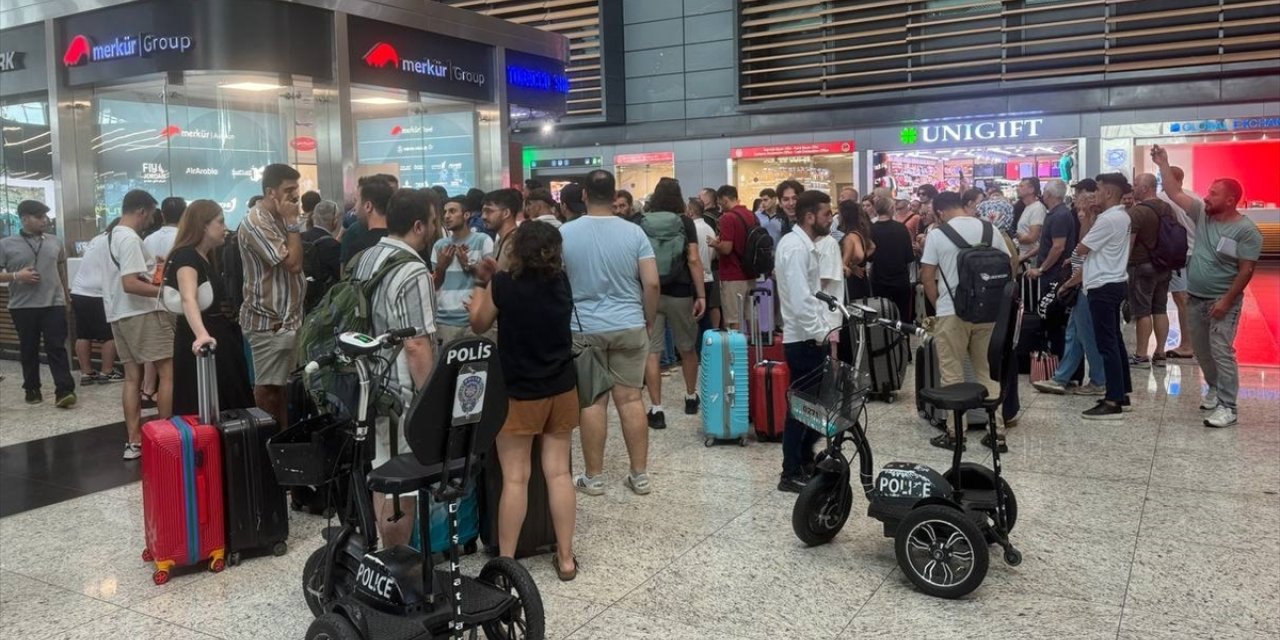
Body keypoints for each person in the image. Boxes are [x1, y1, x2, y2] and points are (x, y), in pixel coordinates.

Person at [468, 220, 579, 580]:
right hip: (561, 388)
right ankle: (565, 558)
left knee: (516, 478)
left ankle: (508, 563)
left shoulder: (503, 285)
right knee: (559, 472)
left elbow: (479, 324)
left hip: (518, 392)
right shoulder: (560, 282)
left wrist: (480, 289)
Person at [349, 188, 440, 546]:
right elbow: (416, 344)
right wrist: (431, 401)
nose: (435, 229)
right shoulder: (413, 269)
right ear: (419, 225)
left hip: (369, 382)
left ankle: (385, 555)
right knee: (404, 482)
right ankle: (398, 563)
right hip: (400, 390)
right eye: (433, 222)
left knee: (382, 472)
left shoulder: (367, 257)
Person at [561, 169, 659, 497]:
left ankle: (594, 478)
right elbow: (652, 283)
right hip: (629, 323)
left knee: (593, 402)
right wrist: (646, 319)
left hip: (584, 328)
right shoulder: (634, 233)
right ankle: (640, 476)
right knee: (631, 398)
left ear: (585, 195)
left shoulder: (566, 233)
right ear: (614, 194)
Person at [1152, 146, 1260, 428]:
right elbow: (1175, 193)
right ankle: (1213, 387)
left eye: (1214, 193)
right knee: (1201, 351)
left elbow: (1246, 270)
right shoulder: (1202, 214)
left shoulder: (1246, 231)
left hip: (1222, 300)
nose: (1207, 196)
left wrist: (1226, 300)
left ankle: (1228, 405)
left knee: (1221, 350)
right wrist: (1163, 163)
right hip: (1196, 298)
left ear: (1230, 200)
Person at [919, 191, 1014, 451]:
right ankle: (996, 434)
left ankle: (955, 435)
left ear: (939, 212)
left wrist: (940, 303)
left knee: (952, 375)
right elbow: (1010, 265)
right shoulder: (989, 229)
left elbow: (927, 276)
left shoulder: (938, 235)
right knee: (987, 372)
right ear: (961, 206)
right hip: (989, 312)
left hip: (952, 313)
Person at [163, 200, 254, 416]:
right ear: (203, 225)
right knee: (208, 403)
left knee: (226, 400)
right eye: (220, 222)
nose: (225, 227)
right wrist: (202, 334)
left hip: (220, 338)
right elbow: (188, 297)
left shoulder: (205, 257)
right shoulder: (186, 256)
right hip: (206, 341)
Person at [103, 190, 175, 459]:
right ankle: (166, 436)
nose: (152, 220)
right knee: (167, 372)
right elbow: (130, 283)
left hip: (119, 315)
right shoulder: (131, 239)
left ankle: (134, 442)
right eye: (152, 214)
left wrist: (154, 269)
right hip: (142, 314)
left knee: (132, 379)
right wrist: (164, 293)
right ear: (142, 211)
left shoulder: (109, 236)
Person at [775, 191, 835, 492]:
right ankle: (791, 471)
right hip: (803, 340)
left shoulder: (801, 245)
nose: (831, 219)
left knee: (810, 406)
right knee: (801, 408)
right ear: (810, 217)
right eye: (826, 214)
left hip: (807, 336)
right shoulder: (796, 249)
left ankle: (803, 458)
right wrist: (820, 334)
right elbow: (801, 300)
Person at [239, 163, 306, 434]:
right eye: (288, 191)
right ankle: (266, 448)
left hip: (288, 320)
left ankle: (283, 443)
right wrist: (293, 225)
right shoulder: (257, 222)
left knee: (284, 389)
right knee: (268, 390)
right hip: (268, 323)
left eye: (296, 191)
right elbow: (293, 264)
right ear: (271, 192)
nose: (294, 198)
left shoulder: (279, 218)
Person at [640, 178, 706, 429]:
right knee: (687, 348)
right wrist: (700, 295)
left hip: (651, 292)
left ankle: (656, 409)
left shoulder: (642, 222)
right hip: (680, 292)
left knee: (653, 352)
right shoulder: (685, 222)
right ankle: (690, 397)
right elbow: (693, 259)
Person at [1033, 179, 1106, 397]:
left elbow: (1085, 250)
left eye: (1081, 204)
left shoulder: (1100, 223)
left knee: (1086, 335)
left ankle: (1098, 379)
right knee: (1074, 333)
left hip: (1087, 284)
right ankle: (1062, 377)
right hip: (1082, 282)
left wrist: (1068, 282)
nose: (1077, 208)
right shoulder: (1082, 219)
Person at [0, 200, 76, 407]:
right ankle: (32, 388)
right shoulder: (6, 244)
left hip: (54, 303)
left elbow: (61, 271)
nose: (44, 220)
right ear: (24, 219)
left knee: (57, 347)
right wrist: (17, 275)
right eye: (38, 216)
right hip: (22, 306)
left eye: (45, 216)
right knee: (29, 348)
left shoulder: (55, 241)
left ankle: (64, 390)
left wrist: (66, 298)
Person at [1073, 173, 1134, 420]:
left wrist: (1086, 216)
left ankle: (1112, 401)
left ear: (1108, 193)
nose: (1092, 196)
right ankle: (1121, 392)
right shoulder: (1119, 216)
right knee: (1115, 341)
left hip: (1103, 285)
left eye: (1097, 191)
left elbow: (1081, 247)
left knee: (1106, 343)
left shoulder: (1108, 219)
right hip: (1114, 281)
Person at [1123, 173, 1177, 370]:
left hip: (1142, 266)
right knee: (1160, 309)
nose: (1133, 188)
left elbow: (1128, 243)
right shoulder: (1167, 208)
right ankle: (1160, 352)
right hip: (1164, 266)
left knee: (1142, 311)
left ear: (1145, 188)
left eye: (1136, 184)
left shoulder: (1138, 212)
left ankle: (1141, 355)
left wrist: (1122, 266)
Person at [432, 196, 496, 345]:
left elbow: (492, 278)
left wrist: (468, 265)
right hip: (445, 321)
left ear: (466, 215)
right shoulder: (440, 245)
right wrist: (442, 266)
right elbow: (434, 285)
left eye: (452, 211)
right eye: (445, 212)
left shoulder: (482, 240)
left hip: (474, 319)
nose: (447, 216)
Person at [1157, 165, 1202, 360]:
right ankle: (1197, 342)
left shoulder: (1162, 198)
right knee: (1192, 300)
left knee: (1181, 300)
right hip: (1197, 253)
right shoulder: (1195, 197)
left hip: (1179, 255)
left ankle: (1187, 344)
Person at [70, 229, 123, 386]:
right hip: (101, 291)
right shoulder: (119, 240)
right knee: (109, 335)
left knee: (83, 334)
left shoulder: (96, 238)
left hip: (79, 290)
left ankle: (86, 373)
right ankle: (106, 372)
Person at [707, 185, 758, 331]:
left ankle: (735, 352)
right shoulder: (751, 215)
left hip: (732, 274)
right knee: (751, 316)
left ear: (724, 199)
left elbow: (727, 248)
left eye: (719, 202)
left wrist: (715, 244)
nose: (719, 206)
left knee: (733, 319)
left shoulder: (728, 218)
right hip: (750, 273)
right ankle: (753, 349)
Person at [867, 195, 915, 320]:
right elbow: (909, 257)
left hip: (878, 279)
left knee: (883, 315)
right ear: (891, 209)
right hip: (900, 278)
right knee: (902, 315)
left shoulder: (871, 230)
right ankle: (903, 338)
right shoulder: (901, 229)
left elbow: (869, 258)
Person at [301, 199, 343, 312]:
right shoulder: (332, 245)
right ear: (334, 221)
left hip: (301, 299)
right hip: (322, 304)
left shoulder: (300, 237)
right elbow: (341, 276)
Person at [340, 177, 394, 264]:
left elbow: (345, 275)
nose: (355, 208)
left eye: (356, 201)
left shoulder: (357, 246)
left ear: (368, 206)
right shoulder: (402, 241)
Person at [688, 197, 721, 332]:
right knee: (706, 316)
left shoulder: (691, 229)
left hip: (696, 278)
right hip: (709, 276)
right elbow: (713, 254)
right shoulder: (709, 229)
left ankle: (697, 349)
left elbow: (691, 257)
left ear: (690, 211)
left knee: (695, 318)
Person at [839, 199, 874, 302]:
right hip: (861, 281)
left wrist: (852, 265)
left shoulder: (850, 237)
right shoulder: (859, 232)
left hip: (853, 284)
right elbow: (872, 246)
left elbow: (845, 264)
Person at [482, 188, 523, 270]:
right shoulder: (499, 241)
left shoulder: (516, 243)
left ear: (506, 213)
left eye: (489, 211)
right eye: (483, 211)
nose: (483, 217)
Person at [1015, 177, 1047, 264]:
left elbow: (1032, 237)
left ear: (1031, 189)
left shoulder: (1037, 209)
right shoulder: (1027, 207)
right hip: (1024, 256)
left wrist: (1017, 237)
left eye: (1021, 186)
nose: (1017, 189)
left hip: (1031, 259)